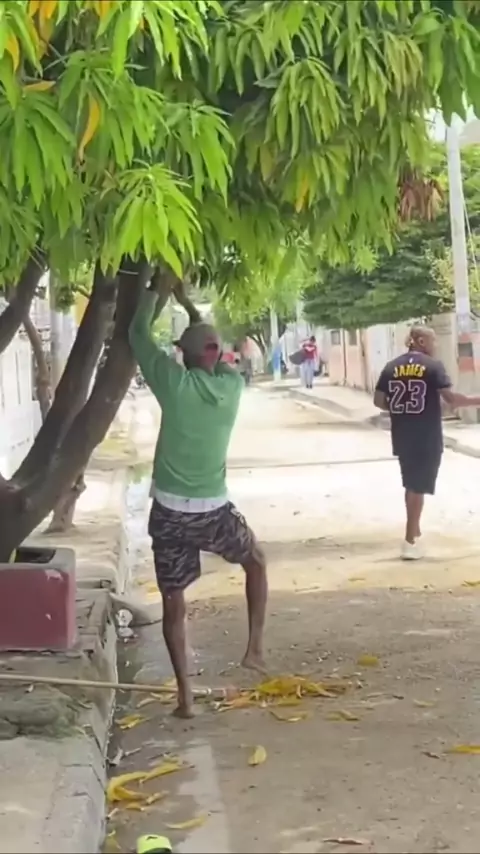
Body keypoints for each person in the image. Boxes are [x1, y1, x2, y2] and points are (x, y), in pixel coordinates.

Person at [129, 276, 267, 718]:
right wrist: (189, 305)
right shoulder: (231, 386)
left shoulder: (173, 384)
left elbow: (136, 333)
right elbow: (211, 350)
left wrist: (160, 288)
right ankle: (254, 649)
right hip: (214, 513)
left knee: (174, 600)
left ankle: (185, 696)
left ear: (181, 355)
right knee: (255, 561)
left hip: (170, 512)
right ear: (216, 354)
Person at [374, 324, 480, 560]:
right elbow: (452, 399)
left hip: (402, 434)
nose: (436, 345)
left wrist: (402, 408)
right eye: (433, 340)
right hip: (426, 435)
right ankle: (409, 541)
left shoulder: (391, 366)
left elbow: (379, 400)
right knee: (417, 486)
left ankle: (415, 532)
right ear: (421, 341)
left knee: (411, 483)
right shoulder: (433, 366)